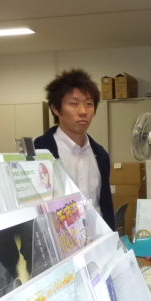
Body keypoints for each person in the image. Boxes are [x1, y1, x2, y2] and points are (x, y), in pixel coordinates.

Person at [34, 69, 115, 229]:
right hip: (58, 239)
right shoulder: (40, 151)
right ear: (56, 109)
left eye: (89, 104)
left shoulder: (100, 154)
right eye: (74, 103)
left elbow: (105, 204)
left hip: (97, 238)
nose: (83, 111)